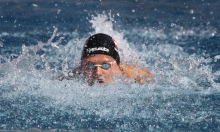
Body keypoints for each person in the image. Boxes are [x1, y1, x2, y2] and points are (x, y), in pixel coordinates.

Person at [59, 33, 153, 86]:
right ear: (82, 65)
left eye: (105, 65)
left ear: (117, 65)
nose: (97, 72)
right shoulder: (70, 77)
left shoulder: (133, 75)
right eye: (90, 65)